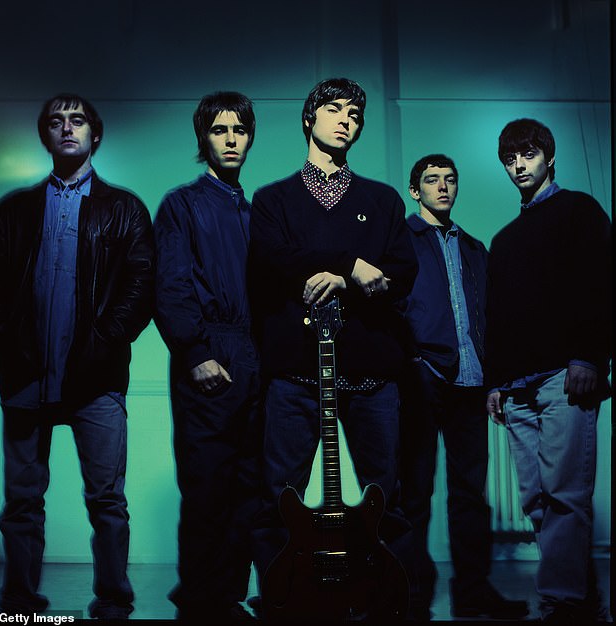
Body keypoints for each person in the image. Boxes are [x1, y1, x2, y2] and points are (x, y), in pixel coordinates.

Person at [248, 77, 418, 612]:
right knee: (279, 493)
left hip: (371, 369)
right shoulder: (273, 199)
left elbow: (403, 271)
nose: (348, 119)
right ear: (309, 119)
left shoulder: (383, 199)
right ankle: (285, 594)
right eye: (335, 110)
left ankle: (380, 593)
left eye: (356, 115)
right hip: (297, 369)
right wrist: (349, 266)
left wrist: (360, 279)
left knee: (384, 494)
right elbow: (274, 261)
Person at [0, 93, 155, 619]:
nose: (67, 129)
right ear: (45, 136)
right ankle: (19, 599)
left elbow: (140, 286)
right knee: (21, 503)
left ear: (94, 135)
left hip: (96, 380)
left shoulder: (123, 208)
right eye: (56, 122)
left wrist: (104, 342)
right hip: (25, 375)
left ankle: (113, 601)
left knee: (107, 501)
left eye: (77, 120)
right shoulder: (13, 210)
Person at [485, 118, 611, 622]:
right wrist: (494, 383)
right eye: (510, 157)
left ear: (549, 156)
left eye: (528, 154)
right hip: (516, 389)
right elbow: (495, 315)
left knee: (565, 496)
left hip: (564, 377)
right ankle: (585, 601)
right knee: (537, 500)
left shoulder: (580, 210)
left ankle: (560, 605)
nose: (518, 164)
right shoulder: (504, 238)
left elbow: (602, 286)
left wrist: (588, 357)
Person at [398, 154, 528, 620]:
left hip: (471, 382)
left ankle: (473, 591)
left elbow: (492, 319)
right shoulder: (402, 241)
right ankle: (411, 593)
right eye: (432, 180)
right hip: (422, 380)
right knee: (413, 492)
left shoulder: (475, 248)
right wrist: (411, 361)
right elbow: (390, 310)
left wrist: (495, 381)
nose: (443, 187)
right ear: (416, 191)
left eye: (450, 180)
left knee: (470, 494)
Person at [153, 91, 261, 622]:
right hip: (210, 351)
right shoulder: (181, 204)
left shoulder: (256, 208)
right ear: (204, 138)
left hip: (255, 356)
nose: (232, 139)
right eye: (220, 130)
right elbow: (169, 284)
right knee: (206, 483)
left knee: (252, 481)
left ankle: (229, 593)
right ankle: (200, 598)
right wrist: (195, 351)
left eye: (240, 129)